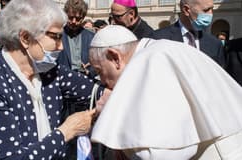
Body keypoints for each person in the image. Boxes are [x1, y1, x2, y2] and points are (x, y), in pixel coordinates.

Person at [0, 0, 109, 159]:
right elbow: (9, 157)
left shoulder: (49, 72)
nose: (61, 46)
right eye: (55, 37)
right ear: (25, 38)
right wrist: (66, 131)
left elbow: (94, 91)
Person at [89, 25, 242, 159]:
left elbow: (163, 154)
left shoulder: (151, 62)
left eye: (99, 70)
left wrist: (114, 113)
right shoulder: (158, 49)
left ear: (115, 57)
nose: (102, 81)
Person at [150, 0, 225, 67]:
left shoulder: (215, 44)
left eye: (212, 9)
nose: (211, 14)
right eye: (206, 10)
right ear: (186, 10)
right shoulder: (158, 39)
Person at [57, 0, 96, 79]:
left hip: (86, 81)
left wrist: (90, 70)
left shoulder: (92, 37)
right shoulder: (57, 35)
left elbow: (99, 62)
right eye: (70, 17)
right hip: (63, 82)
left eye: (78, 19)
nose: (74, 21)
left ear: (83, 17)